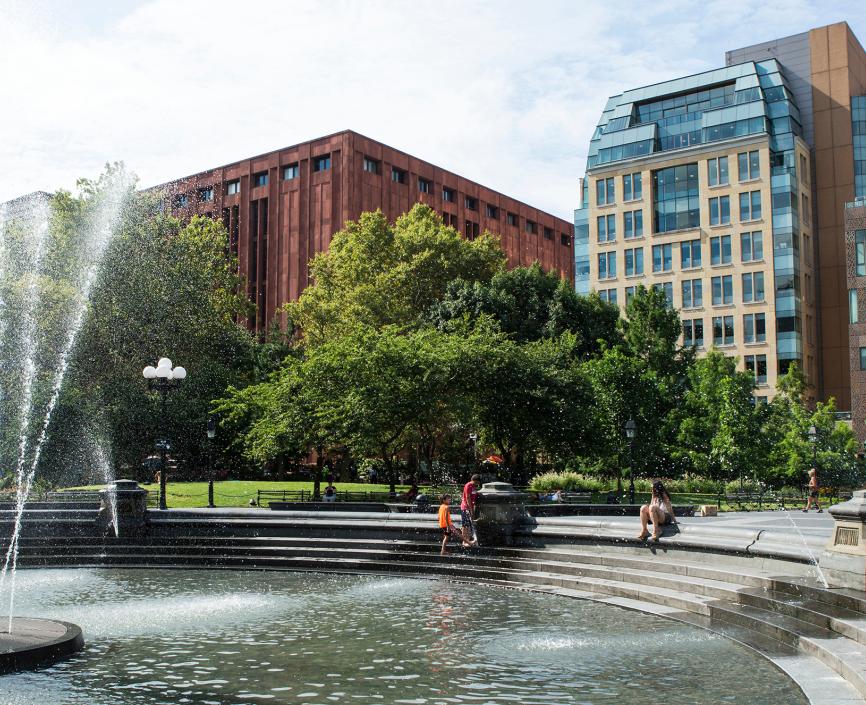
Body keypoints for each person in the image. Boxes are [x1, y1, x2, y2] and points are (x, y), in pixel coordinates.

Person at [461, 474, 481, 547]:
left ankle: (468, 540)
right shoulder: (468, 485)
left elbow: (473, 495)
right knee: (465, 525)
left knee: (469, 525)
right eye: (478, 482)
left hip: (469, 507)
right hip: (466, 508)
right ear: (475, 480)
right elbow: (468, 497)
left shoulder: (473, 486)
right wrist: (471, 509)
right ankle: (464, 542)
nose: (479, 483)